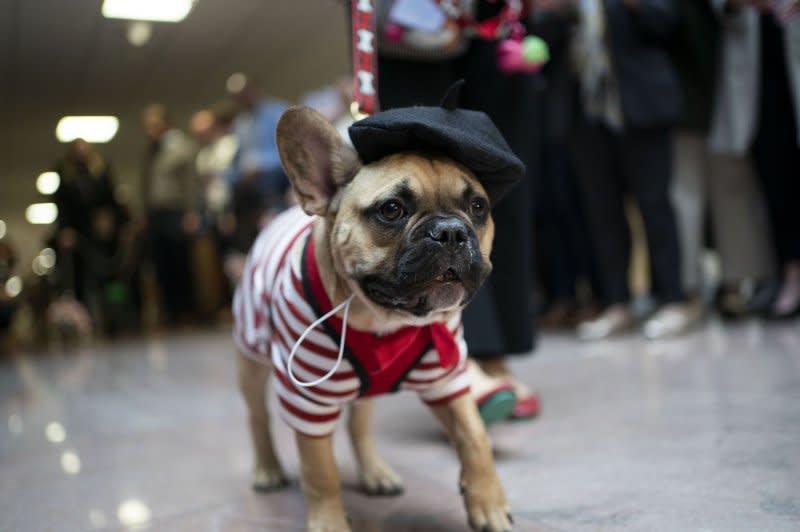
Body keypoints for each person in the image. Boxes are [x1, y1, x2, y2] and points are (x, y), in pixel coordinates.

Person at [374, 0, 541, 421]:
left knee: (502, 182)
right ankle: (463, 358)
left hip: (501, 24)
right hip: (406, 28)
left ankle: (497, 352)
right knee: (426, 189)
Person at [567, 0, 697, 341]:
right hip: (587, 112)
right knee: (603, 211)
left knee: (655, 205)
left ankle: (672, 300)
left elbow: (667, 21)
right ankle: (617, 303)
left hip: (643, 104)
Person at [669, 0, 775, 318]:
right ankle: (688, 288)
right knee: (685, 192)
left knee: (730, 182)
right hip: (684, 83)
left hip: (725, 73)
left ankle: (739, 281)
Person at [52, 139, 131, 334]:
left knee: (112, 278)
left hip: (104, 236)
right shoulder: (65, 176)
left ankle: (115, 318)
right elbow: (61, 206)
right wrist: (65, 229)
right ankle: (82, 323)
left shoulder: (102, 171)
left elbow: (113, 199)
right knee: (81, 280)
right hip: (79, 237)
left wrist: (119, 223)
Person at [140, 104, 199, 327]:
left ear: (166, 124)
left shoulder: (181, 147)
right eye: (146, 126)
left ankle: (187, 312)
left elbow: (190, 182)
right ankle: (171, 313)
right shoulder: (149, 152)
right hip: (156, 215)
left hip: (176, 211)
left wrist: (191, 211)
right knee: (161, 265)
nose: (149, 130)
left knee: (180, 263)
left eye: (153, 125)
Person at [225, 76, 290, 253]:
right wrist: (233, 175)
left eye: (244, 94)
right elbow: (237, 161)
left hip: (279, 193)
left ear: (255, 91)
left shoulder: (278, 112)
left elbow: (291, 153)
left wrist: (259, 165)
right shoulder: (240, 124)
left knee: (280, 247)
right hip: (253, 198)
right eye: (237, 97)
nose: (242, 99)